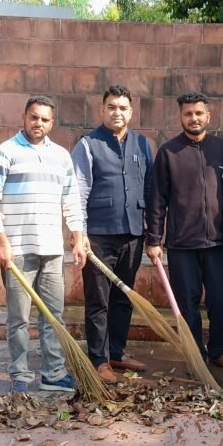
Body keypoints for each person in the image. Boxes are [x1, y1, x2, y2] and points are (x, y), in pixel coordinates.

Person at [0, 95, 86, 394]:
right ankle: (20, 375)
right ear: (24, 117)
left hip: (52, 249)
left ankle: (53, 373)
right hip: (18, 252)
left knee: (54, 316)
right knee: (19, 319)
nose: (38, 123)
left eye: (44, 119)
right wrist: (0, 242)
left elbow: (71, 199)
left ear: (52, 122)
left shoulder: (62, 156)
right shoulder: (3, 153)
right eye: (33, 117)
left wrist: (77, 236)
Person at [145, 92, 223, 370]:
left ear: (208, 116)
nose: (194, 118)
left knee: (221, 300)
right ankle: (196, 354)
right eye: (188, 114)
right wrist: (154, 240)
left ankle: (217, 351)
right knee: (188, 303)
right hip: (182, 243)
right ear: (181, 117)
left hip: (218, 244)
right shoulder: (168, 152)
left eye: (199, 113)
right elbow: (157, 199)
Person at [72, 86, 153, 384]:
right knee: (98, 301)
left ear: (131, 112)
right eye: (111, 107)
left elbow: (149, 189)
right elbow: (78, 192)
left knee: (123, 298)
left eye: (122, 107)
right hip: (99, 236)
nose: (117, 112)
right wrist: (79, 234)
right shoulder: (88, 144)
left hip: (132, 234)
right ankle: (99, 359)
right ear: (102, 110)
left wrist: (152, 233)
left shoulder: (143, 145)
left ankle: (117, 351)